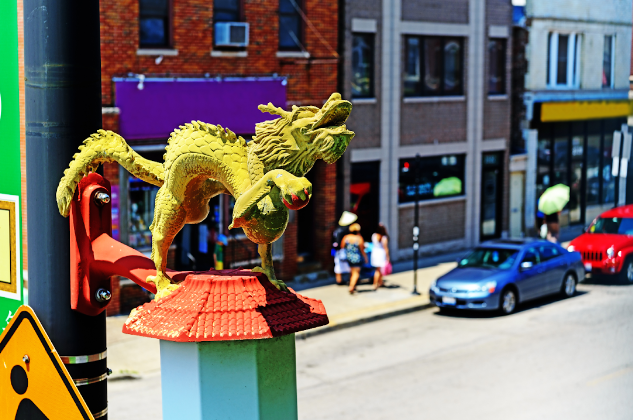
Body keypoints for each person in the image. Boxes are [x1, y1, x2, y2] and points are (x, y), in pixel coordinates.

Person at [341, 223, 368, 294]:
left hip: (349, 257)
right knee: (356, 273)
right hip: (357, 258)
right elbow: (362, 250)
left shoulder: (346, 237)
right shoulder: (359, 238)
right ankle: (351, 287)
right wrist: (365, 258)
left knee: (352, 272)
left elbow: (342, 246)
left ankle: (353, 285)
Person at [332, 211, 357, 285]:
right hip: (343, 250)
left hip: (336, 251)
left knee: (338, 266)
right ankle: (350, 280)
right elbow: (342, 243)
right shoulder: (345, 230)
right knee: (349, 266)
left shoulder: (337, 229)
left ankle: (339, 280)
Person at [371, 223, 390, 289]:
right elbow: (386, 248)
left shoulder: (374, 235)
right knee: (378, 270)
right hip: (380, 253)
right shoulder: (384, 237)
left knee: (379, 269)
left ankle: (380, 282)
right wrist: (388, 257)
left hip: (375, 252)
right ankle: (375, 284)